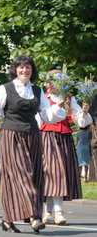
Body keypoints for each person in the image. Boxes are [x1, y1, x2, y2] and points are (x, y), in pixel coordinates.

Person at [0, 55, 66, 233]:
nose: (24, 70)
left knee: (34, 176)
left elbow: (46, 115)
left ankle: (8, 218)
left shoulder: (37, 91)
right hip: (12, 136)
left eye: (28, 68)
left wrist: (59, 108)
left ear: (32, 71)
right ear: (15, 70)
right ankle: (34, 215)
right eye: (21, 68)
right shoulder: (6, 89)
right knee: (24, 174)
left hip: (33, 136)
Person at [39, 71, 92, 225]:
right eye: (50, 81)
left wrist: (85, 113)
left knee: (58, 173)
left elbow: (80, 122)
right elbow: (41, 118)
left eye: (55, 81)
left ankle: (48, 213)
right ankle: (58, 212)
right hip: (47, 137)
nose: (51, 84)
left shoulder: (69, 98)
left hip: (64, 137)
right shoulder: (44, 98)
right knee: (55, 172)